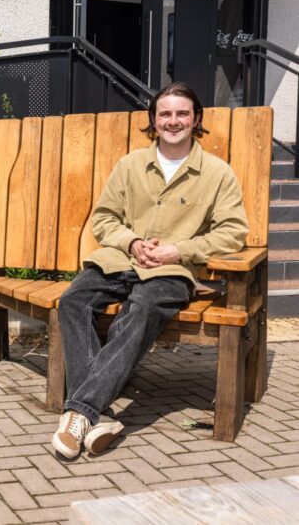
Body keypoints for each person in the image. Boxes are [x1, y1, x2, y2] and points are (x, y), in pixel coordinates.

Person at [51, 82, 249, 459]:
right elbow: (105, 219)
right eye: (165, 114)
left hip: (172, 273)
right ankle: (101, 415)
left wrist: (180, 249)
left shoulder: (217, 173)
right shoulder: (129, 166)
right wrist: (132, 242)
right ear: (153, 121)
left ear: (196, 120)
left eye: (182, 114)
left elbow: (233, 232)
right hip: (121, 260)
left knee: (139, 310)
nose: (173, 121)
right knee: (73, 300)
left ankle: (80, 412)